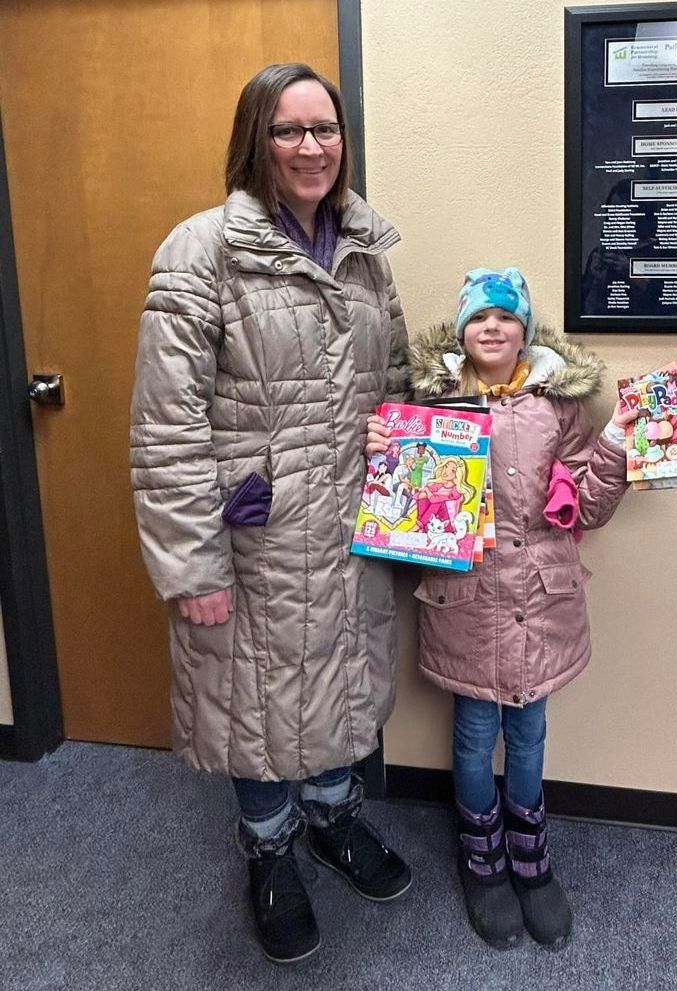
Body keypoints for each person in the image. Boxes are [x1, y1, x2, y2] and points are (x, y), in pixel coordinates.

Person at [130, 63, 411, 965]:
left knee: (340, 681)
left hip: (350, 524)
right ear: (256, 139)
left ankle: (333, 819)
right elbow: (165, 428)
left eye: (322, 129)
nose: (309, 147)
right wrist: (191, 566)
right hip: (253, 532)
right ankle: (269, 852)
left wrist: (418, 505)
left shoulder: (365, 252)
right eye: (287, 130)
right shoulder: (199, 250)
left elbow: (397, 390)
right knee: (253, 701)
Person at [366, 267, 637, 950]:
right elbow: (405, 506)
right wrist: (383, 454)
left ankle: (530, 854)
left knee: (528, 732)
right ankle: (481, 857)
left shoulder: (558, 405)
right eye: (479, 318)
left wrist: (612, 449)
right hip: (468, 600)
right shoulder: (436, 401)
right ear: (462, 332)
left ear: (524, 330)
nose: (492, 327)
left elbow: (591, 503)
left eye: (506, 317)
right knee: (471, 731)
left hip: (542, 599)